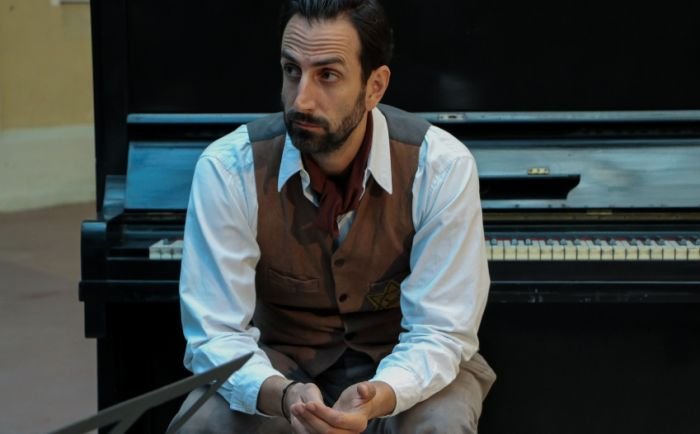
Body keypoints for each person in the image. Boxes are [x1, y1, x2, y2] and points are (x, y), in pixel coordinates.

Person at [172, 0, 496, 432]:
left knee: (441, 421)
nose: (301, 99)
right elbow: (215, 335)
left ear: (375, 86)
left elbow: (440, 331)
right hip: (280, 367)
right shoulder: (229, 167)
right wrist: (283, 395)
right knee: (203, 422)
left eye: (327, 75)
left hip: (401, 366)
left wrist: (377, 395)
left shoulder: (440, 165)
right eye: (292, 71)